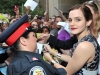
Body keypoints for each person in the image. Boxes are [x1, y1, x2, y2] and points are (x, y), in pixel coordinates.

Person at [39, 4, 99, 75]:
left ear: (88, 22)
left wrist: (50, 60)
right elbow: (73, 59)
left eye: (78, 20)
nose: (72, 23)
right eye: (70, 20)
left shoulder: (84, 45)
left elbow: (66, 73)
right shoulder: (87, 38)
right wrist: (53, 52)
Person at [0, 14, 66, 75]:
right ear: (23, 41)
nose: (36, 39)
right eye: (34, 36)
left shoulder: (16, 62)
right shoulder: (34, 65)